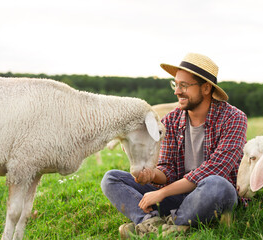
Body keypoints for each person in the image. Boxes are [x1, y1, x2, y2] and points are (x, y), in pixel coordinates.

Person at [101, 53, 247, 238]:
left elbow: (216, 169)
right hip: (177, 197)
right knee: (111, 178)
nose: (177, 91)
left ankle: (168, 224)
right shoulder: (171, 120)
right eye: (175, 84)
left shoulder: (234, 118)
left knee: (218, 184)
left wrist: (162, 194)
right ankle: (154, 224)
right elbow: (168, 169)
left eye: (184, 85)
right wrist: (153, 174)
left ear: (206, 88)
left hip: (211, 196)